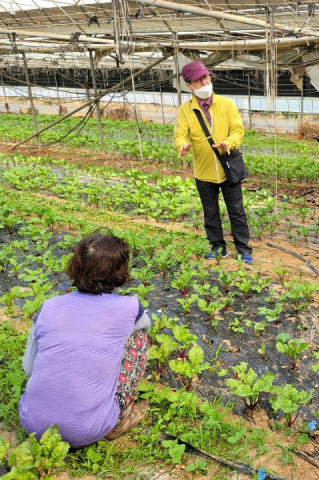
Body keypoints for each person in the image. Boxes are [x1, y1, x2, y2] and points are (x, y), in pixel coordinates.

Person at [19, 232, 151, 447]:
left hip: (33, 424)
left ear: (76, 265)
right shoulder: (129, 307)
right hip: (89, 430)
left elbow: (28, 369)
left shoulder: (50, 306)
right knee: (138, 339)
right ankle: (117, 417)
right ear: (120, 271)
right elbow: (145, 327)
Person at [173, 60, 253, 264]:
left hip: (228, 169)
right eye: (198, 81)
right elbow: (180, 133)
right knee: (210, 213)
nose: (204, 83)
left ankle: (243, 249)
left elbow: (238, 129)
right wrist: (182, 145)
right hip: (203, 171)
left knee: (236, 211)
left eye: (206, 78)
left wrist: (229, 142)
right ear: (189, 86)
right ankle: (218, 247)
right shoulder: (185, 110)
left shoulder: (226, 104)